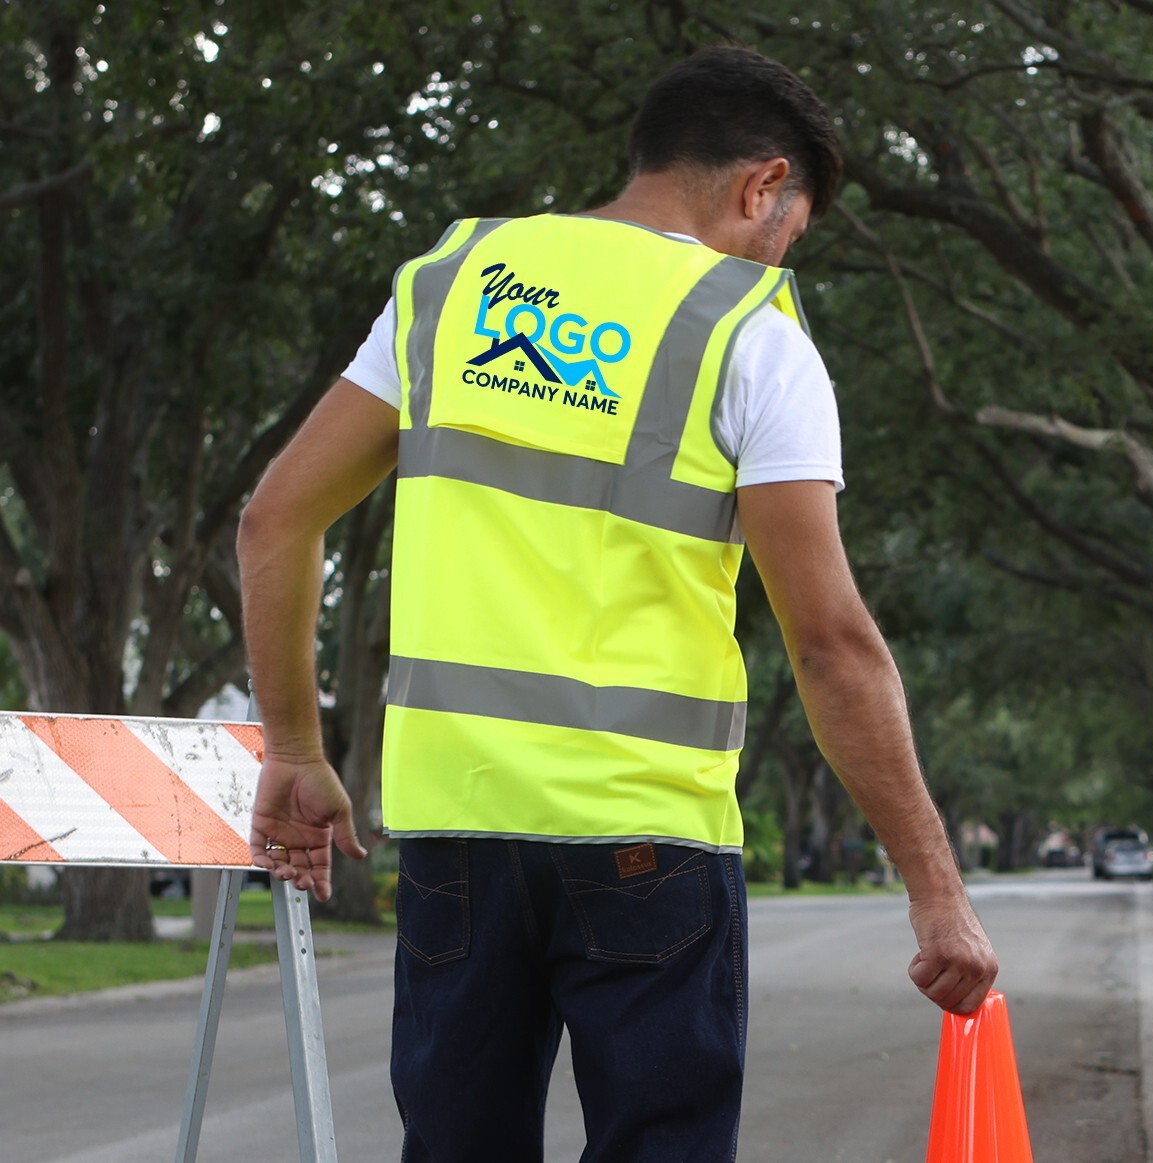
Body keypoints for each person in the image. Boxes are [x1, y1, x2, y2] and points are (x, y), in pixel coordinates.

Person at [238, 44, 997, 1162]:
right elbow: (831, 643)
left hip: (459, 826)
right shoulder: (750, 333)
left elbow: (274, 518)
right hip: (650, 841)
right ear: (760, 186)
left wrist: (296, 745)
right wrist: (937, 889)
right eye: (794, 225)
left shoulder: (450, 285)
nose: (783, 251)